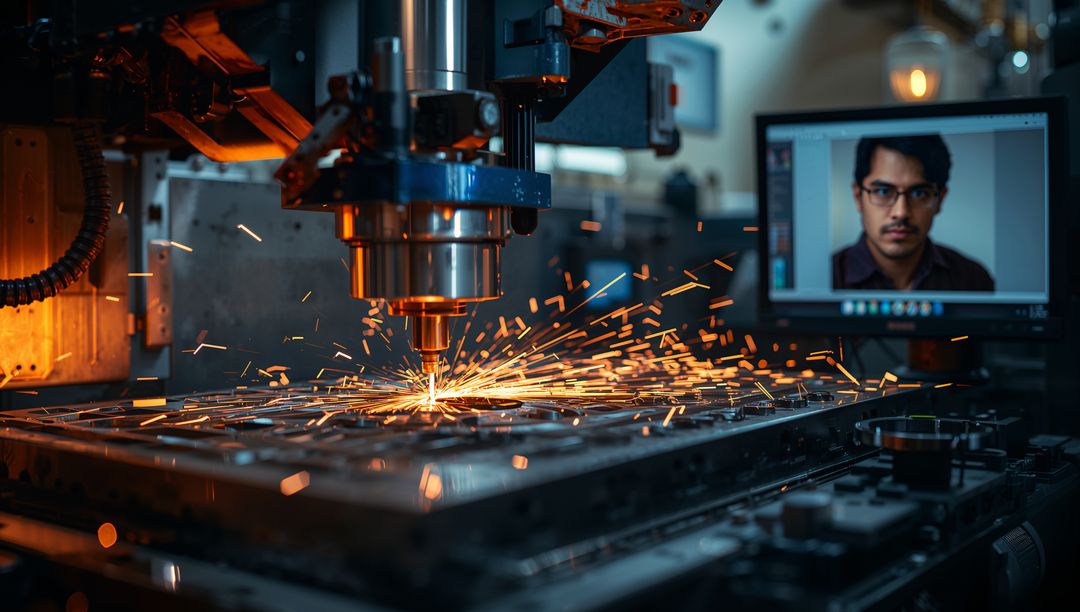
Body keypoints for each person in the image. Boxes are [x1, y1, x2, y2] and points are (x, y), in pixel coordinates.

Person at [832, 134, 994, 291]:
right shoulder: (825, 279)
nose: (901, 212)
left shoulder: (973, 280)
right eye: (883, 191)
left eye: (919, 193)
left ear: (940, 199)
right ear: (858, 197)